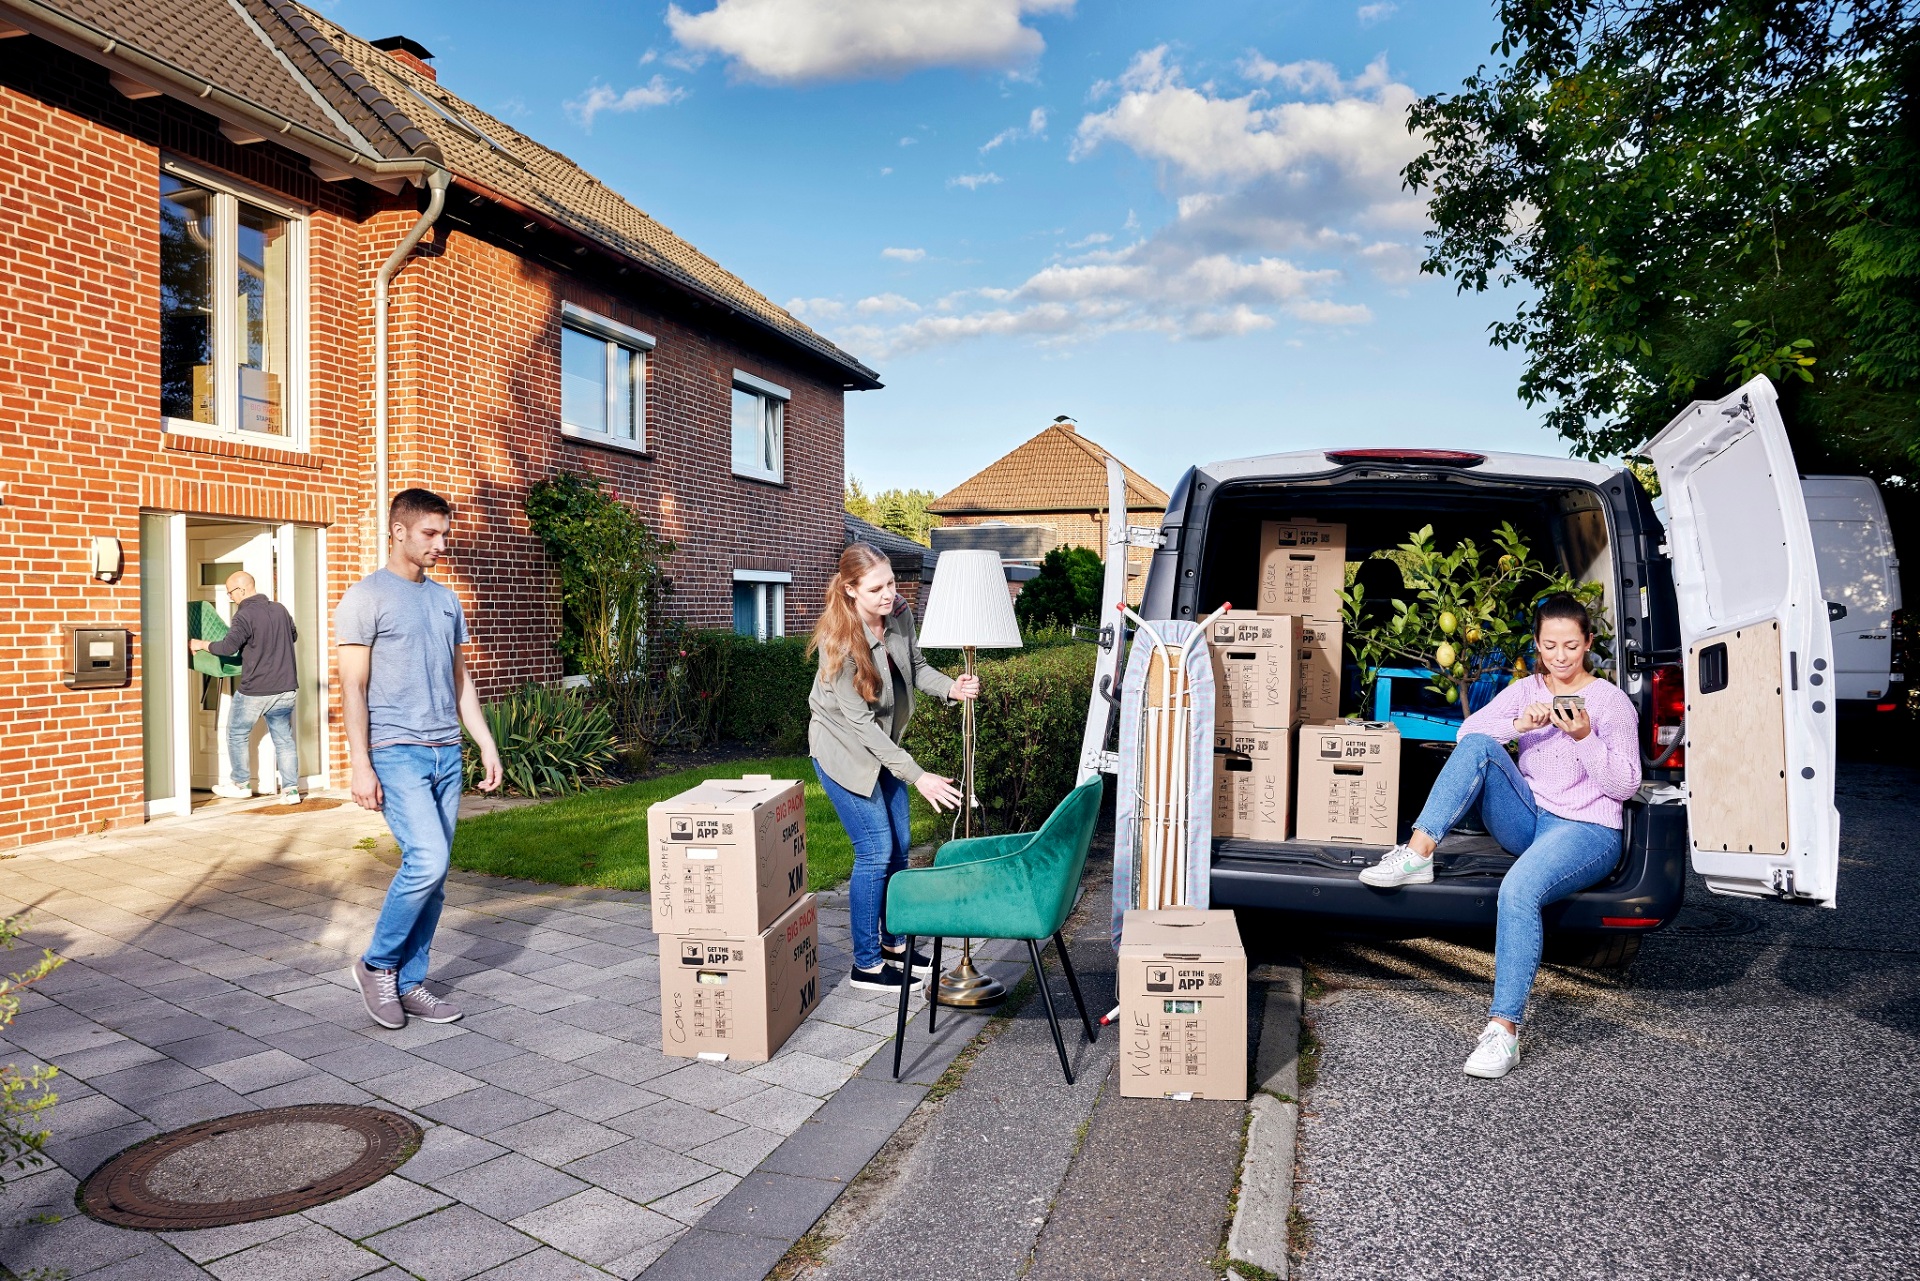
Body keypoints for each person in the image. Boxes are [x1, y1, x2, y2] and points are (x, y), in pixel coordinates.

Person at [1357, 592, 1640, 1079]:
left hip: (1586, 829)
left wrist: (1584, 737)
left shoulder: (1610, 702)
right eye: (1550, 645)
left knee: (1518, 891)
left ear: (1588, 642)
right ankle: (1417, 853)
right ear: (1537, 643)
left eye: (1571, 645)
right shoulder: (1528, 687)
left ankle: (1502, 1031)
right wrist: (1517, 723)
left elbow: (1625, 785)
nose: (1560, 656)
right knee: (1482, 746)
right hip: (1530, 819)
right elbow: (1469, 733)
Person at [337, 487, 502, 1030]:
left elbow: (460, 680)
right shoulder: (366, 597)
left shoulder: (445, 600)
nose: (440, 544)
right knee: (425, 861)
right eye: (430, 534)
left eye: (444, 534)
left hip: (445, 753)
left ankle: (409, 982)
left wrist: (484, 741)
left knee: (436, 875)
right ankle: (377, 964)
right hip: (396, 751)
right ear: (398, 531)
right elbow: (353, 688)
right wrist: (360, 763)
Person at [808, 543, 980, 994]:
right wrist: (918, 776)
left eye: (891, 582)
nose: (890, 593)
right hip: (844, 750)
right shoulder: (839, 647)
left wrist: (951, 688)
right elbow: (862, 729)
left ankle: (895, 945)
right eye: (877, 587)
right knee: (875, 852)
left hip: (884, 745)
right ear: (850, 590)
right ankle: (865, 964)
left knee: (901, 846)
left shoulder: (899, 612)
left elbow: (916, 667)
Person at [189, 571, 301, 804]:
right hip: (286, 688)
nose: (230, 598)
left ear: (241, 590)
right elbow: (293, 636)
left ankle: (241, 784)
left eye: (230, 592)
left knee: (237, 733)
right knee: (284, 740)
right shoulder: (280, 609)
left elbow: (228, 647)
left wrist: (201, 644)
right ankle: (291, 791)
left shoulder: (244, 615)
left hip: (256, 689)